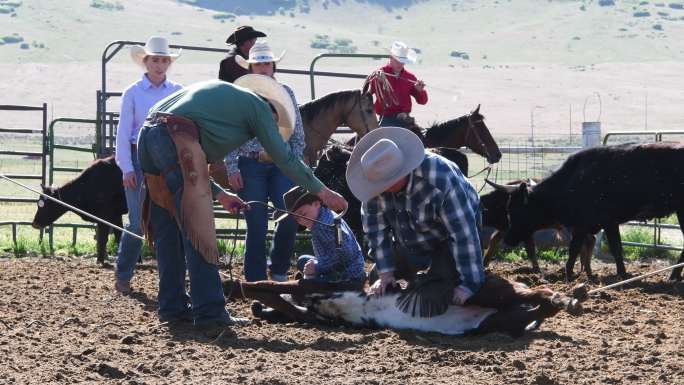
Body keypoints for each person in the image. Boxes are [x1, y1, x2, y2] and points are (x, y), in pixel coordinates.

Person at [137, 75, 347, 332]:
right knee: (198, 227)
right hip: (176, 137)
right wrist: (323, 192)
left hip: (149, 137)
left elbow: (184, 164)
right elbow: (285, 158)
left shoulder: (222, 103)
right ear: (272, 110)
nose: (269, 131)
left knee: (168, 230)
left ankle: (172, 308)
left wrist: (220, 194)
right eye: (273, 124)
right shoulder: (259, 108)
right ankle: (210, 312)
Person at [345, 126, 484, 307]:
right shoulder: (373, 184)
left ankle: (443, 274)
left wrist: (470, 284)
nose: (381, 188)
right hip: (412, 237)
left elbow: (463, 233)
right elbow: (376, 231)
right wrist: (386, 274)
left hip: (447, 239)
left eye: (386, 183)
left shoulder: (440, 178)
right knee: (376, 280)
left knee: (434, 293)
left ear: (403, 171)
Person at [225, 41, 303, 282]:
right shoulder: (240, 95)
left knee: (289, 217)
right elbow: (231, 131)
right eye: (258, 64)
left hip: (282, 164)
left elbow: (297, 132)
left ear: (273, 66)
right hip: (251, 163)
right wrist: (232, 165)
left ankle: (278, 270)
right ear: (250, 67)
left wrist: (295, 163)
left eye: (266, 63)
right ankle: (256, 279)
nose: (262, 68)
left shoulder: (286, 93)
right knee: (256, 224)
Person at [114, 36, 183, 295]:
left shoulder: (178, 91)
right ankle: (123, 275)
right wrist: (127, 168)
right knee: (136, 222)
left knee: (169, 219)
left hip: (167, 159)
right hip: (137, 157)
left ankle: (171, 280)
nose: (160, 64)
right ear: (146, 61)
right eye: (155, 59)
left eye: (164, 60)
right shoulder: (133, 92)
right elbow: (123, 133)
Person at [275, 186, 366, 284]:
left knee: (310, 283)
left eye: (303, 214)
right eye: (297, 219)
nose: (301, 220)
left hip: (348, 273)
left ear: (316, 204)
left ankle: (314, 281)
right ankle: (315, 278)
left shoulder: (326, 225)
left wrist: (318, 266)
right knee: (303, 261)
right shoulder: (320, 218)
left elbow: (345, 254)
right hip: (337, 267)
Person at [365, 41, 428, 127]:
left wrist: (420, 91)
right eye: (398, 61)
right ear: (391, 58)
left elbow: (422, 101)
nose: (400, 64)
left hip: (405, 119)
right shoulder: (379, 74)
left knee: (419, 138)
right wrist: (378, 82)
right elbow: (366, 96)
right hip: (386, 119)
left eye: (403, 61)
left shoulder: (410, 77)